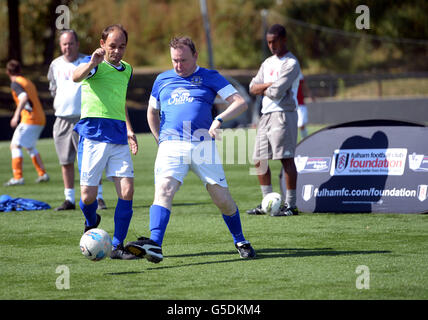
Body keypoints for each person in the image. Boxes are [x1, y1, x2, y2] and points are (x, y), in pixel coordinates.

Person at [124, 36, 256, 262]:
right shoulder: (162, 79)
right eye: (174, 60)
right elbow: (151, 112)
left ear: (195, 56)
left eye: (183, 60)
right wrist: (160, 140)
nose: (178, 65)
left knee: (222, 199)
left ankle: (240, 240)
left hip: (202, 144)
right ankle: (155, 244)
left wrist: (219, 120)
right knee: (164, 190)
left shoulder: (210, 76)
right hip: (171, 145)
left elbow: (240, 102)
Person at [72, 24, 138, 260]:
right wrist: (91, 63)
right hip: (93, 137)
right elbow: (75, 77)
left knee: (127, 191)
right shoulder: (95, 66)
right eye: (112, 46)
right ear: (102, 44)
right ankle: (91, 221)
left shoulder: (128, 69)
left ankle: (118, 246)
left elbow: (119, 103)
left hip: (119, 137)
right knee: (88, 197)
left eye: (122, 46)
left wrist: (130, 130)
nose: (117, 51)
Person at [48, 29, 107, 211]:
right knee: (65, 161)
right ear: (60, 45)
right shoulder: (55, 65)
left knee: (91, 161)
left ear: (77, 44)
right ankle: (69, 199)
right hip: (62, 119)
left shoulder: (88, 61)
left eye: (71, 43)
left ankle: (98, 197)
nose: (68, 47)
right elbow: (53, 88)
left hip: (84, 119)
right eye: (64, 44)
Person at [246, 24, 300, 217]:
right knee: (259, 160)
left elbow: (277, 93)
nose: (271, 45)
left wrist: (264, 87)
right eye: (268, 42)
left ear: (283, 40)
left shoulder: (291, 63)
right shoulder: (267, 63)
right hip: (265, 115)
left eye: (274, 41)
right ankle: (266, 202)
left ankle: (290, 205)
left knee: (286, 159)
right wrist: (269, 84)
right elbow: (252, 88)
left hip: (283, 114)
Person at [4, 60, 49, 186]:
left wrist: (16, 115)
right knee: (29, 146)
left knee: (15, 145)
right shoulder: (27, 81)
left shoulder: (15, 83)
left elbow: (23, 97)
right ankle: (42, 174)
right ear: (20, 70)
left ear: (8, 72)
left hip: (29, 119)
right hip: (40, 117)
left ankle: (18, 177)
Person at [278, 71, 316, 199]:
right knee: (294, 126)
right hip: (291, 104)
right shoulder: (284, 73)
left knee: (301, 125)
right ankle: (300, 143)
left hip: (301, 104)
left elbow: (304, 86)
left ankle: (306, 141)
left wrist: (310, 95)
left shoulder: (298, 73)